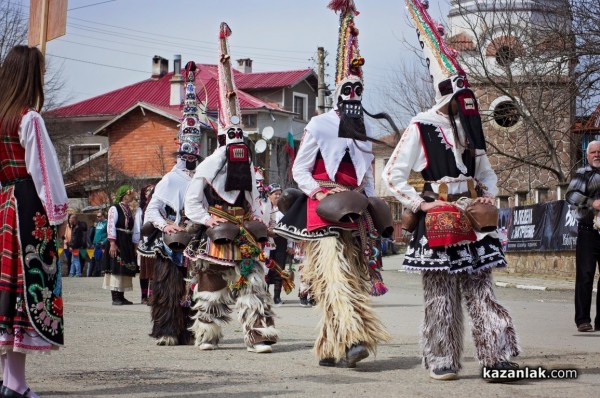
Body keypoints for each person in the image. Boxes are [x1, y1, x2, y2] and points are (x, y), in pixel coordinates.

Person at [382, 0, 520, 381]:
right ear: (448, 95)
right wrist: (418, 205)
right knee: (440, 294)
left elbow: (486, 172)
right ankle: (442, 357)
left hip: (472, 218)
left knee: (482, 289)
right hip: (438, 216)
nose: (466, 103)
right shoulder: (421, 126)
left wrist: (488, 194)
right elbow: (391, 176)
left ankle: (497, 355)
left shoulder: (470, 128)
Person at [274, 1, 393, 368]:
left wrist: (371, 201)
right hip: (322, 208)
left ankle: (329, 345)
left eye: (360, 91)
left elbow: (367, 174)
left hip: (355, 211)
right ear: (340, 93)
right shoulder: (320, 124)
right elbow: (301, 171)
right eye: (350, 91)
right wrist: (320, 192)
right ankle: (355, 335)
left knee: (352, 275)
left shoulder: (364, 128)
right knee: (332, 274)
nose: (355, 97)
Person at [184, 23, 278, 354]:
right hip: (219, 228)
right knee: (211, 285)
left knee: (253, 282)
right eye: (232, 137)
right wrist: (205, 219)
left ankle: (257, 334)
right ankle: (206, 334)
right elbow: (192, 199)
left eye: (241, 137)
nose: (237, 143)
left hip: (244, 231)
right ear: (224, 138)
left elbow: (254, 197)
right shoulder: (212, 162)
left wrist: (260, 221)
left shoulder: (246, 165)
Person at [0, 45, 69, 398]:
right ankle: (16, 385)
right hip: (27, 208)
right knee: (25, 292)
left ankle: (9, 381)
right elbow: (45, 173)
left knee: (7, 295)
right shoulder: (30, 119)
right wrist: (59, 216)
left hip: (2, 206)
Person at [140, 60, 203, 346]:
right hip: (171, 241)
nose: (190, 155)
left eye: (194, 149)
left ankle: (189, 330)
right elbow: (153, 208)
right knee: (169, 285)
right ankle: (166, 329)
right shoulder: (170, 179)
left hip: (196, 239)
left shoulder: (203, 176)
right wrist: (165, 225)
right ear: (181, 149)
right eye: (186, 150)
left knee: (196, 287)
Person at [565, 140, 600, 332]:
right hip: (588, 230)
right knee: (585, 275)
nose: (597, 155)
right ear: (587, 156)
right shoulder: (582, 174)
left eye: (599, 152)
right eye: (593, 152)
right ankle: (583, 320)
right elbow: (570, 195)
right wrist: (591, 202)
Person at [102, 185, 139, 305]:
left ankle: (122, 296)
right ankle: (115, 297)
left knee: (124, 268)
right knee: (116, 267)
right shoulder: (115, 208)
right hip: (118, 240)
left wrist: (134, 245)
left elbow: (133, 228)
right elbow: (111, 225)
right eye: (130, 195)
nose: (131, 197)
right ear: (124, 195)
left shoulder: (129, 209)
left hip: (126, 241)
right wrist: (112, 243)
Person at [261, 183, 290, 305]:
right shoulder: (263, 208)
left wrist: (290, 245)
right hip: (267, 240)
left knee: (279, 268)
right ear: (269, 195)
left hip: (281, 240)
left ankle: (277, 296)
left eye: (279, 194)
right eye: (275, 194)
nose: (278, 196)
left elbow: (289, 227)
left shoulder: (284, 209)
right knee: (266, 266)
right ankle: (265, 295)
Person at [135, 184, 155, 305]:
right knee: (144, 270)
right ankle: (143, 296)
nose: (150, 193)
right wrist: (136, 243)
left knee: (154, 270)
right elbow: (137, 228)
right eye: (148, 191)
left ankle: (152, 295)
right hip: (144, 240)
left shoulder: (158, 206)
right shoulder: (140, 210)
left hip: (156, 240)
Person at [88, 210, 108, 277]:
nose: (98, 218)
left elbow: (110, 234)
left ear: (103, 216)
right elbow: (93, 233)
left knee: (102, 259)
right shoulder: (97, 223)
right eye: (97, 217)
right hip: (96, 244)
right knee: (97, 259)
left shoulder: (107, 223)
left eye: (99, 216)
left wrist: (104, 241)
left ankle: (103, 272)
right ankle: (99, 272)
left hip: (102, 244)